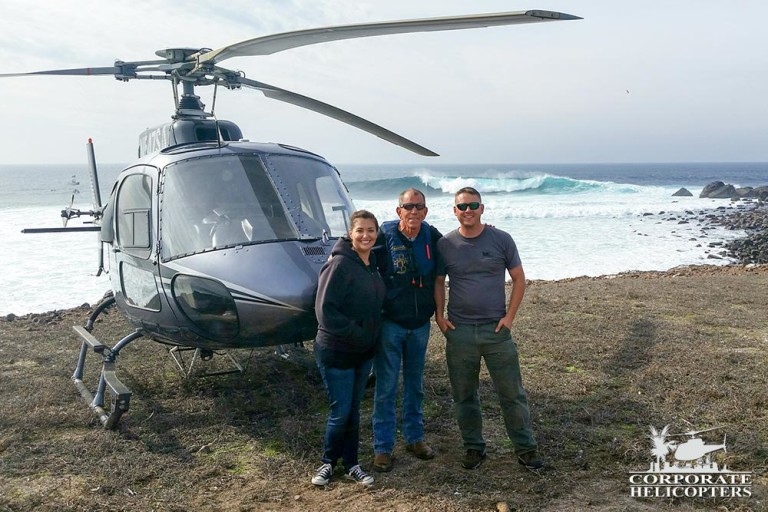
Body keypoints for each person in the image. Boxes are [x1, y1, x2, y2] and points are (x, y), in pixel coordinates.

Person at [434, 187, 544, 471]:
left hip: (496, 332)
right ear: (454, 211)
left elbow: (519, 278)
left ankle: (526, 448)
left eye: (473, 205)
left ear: (482, 208)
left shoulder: (501, 239)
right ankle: (473, 447)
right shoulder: (445, 244)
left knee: (512, 393)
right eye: (462, 207)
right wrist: (439, 316)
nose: (468, 211)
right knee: (464, 395)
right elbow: (438, 281)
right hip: (459, 332)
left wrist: (509, 317)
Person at [311, 210, 386, 487]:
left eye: (371, 230)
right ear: (350, 233)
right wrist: (358, 333)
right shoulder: (339, 264)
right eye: (360, 230)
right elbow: (325, 311)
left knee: (353, 411)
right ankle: (328, 463)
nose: (366, 235)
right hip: (337, 351)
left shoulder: (371, 263)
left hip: (362, 353)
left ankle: (352, 464)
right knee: (340, 411)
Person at [371, 188, 442, 472]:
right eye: (408, 206)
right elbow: (356, 245)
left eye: (418, 207)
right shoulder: (383, 235)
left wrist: (487, 233)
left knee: (415, 386)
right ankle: (383, 447)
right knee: (386, 388)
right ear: (398, 210)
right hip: (391, 324)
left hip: (420, 325)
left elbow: (460, 245)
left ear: (425, 211)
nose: (413, 211)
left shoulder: (432, 236)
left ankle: (415, 438)